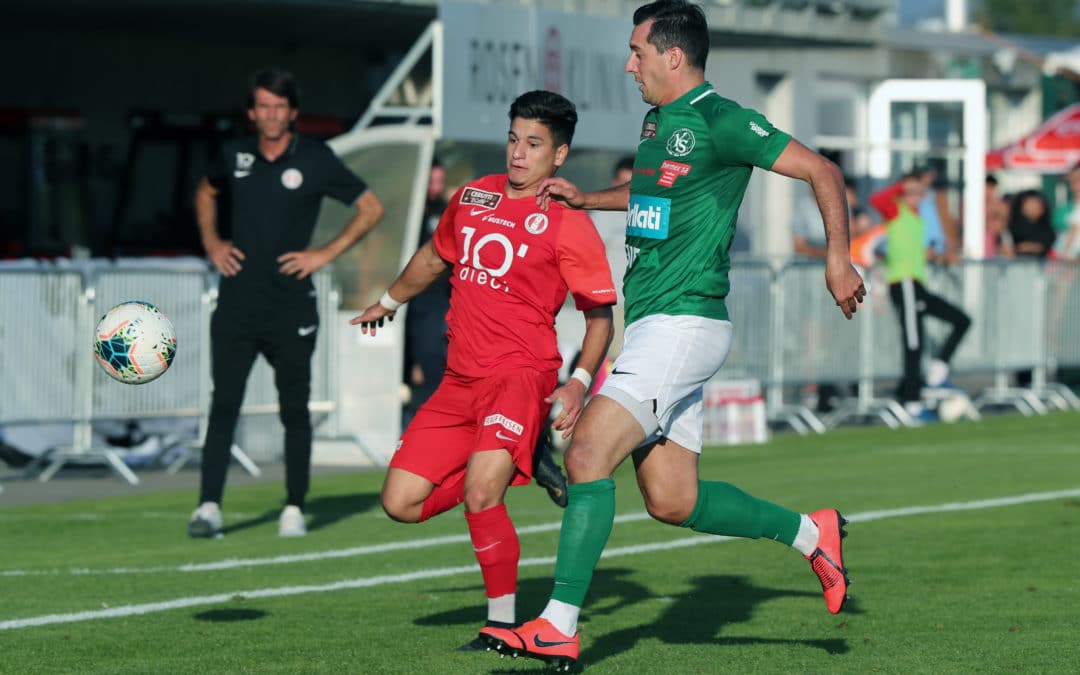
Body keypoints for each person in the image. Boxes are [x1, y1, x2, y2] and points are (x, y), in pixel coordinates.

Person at [480, 2, 867, 669]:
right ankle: (813, 533)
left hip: (685, 323)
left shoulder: (724, 119)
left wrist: (837, 258)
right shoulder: (660, 119)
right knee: (671, 498)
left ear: (673, 57)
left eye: (637, 52)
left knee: (585, 454)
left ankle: (557, 624)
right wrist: (588, 199)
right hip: (658, 326)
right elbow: (655, 199)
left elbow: (822, 171)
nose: (629, 65)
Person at [350, 90, 616, 651]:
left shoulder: (569, 224)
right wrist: (389, 302)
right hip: (458, 381)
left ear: (559, 156)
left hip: (520, 377)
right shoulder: (473, 196)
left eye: (534, 144)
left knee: (480, 494)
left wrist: (577, 383)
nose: (519, 154)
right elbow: (432, 258)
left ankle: (500, 625)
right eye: (514, 140)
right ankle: (522, 459)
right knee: (399, 503)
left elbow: (600, 320)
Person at [188, 68, 384, 538]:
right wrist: (213, 242)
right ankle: (208, 506)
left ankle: (294, 506)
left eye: (280, 107)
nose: (271, 116)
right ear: (252, 113)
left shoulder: (315, 158)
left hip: (291, 306)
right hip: (236, 303)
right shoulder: (234, 154)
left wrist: (323, 254)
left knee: (293, 409)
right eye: (263, 107)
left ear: (292, 113)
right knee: (224, 405)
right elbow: (205, 190)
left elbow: (371, 207)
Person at [870, 171, 971, 419]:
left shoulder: (919, 217)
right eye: (911, 193)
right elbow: (877, 200)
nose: (916, 197)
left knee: (961, 319)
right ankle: (912, 401)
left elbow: (922, 248)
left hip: (917, 285)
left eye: (918, 193)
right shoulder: (896, 211)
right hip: (902, 283)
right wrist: (902, 186)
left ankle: (938, 370)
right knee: (913, 342)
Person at [1007, 189, 1057, 259]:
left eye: (1038, 204)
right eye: (1030, 203)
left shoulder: (1047, 229)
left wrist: (1031, 247)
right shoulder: (1011, 225)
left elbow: (1047, 246)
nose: (1034, 207)